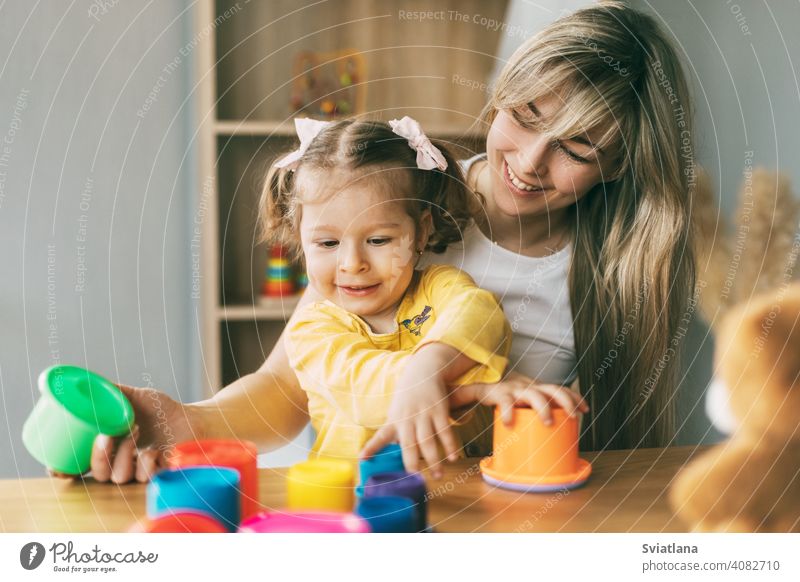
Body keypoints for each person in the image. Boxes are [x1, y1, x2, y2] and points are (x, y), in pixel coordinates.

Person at [80, 1, 693, 484]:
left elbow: (614, 455)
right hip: (352, 496)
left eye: (576, 147)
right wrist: (180, 421)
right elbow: (287, 387)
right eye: (527, 116)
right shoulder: (403, 198)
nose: (530, 162)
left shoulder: (619, 269)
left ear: (617, 166)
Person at [263, 115, 515, 469]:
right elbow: (366, 389)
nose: (352, 263)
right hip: (354, 504)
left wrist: (429, 366)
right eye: (328, 242)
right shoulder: (311, 330)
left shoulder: (439, 287)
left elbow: (483, 314)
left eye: (379, 240)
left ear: (422, 233)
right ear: (301, 238)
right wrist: (462, 386)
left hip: (465, 496)